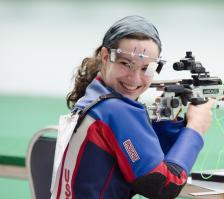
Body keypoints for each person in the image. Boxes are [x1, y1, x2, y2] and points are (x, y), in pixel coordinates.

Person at [50, 15, 214, 199]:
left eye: (146, 68)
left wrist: (167, 123)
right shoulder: (116, 110)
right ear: (105, 56)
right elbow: (163, 186)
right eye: (125, 64)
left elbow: (138, 162)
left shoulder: (93, 98)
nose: (135, 79)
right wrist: (195, 128)